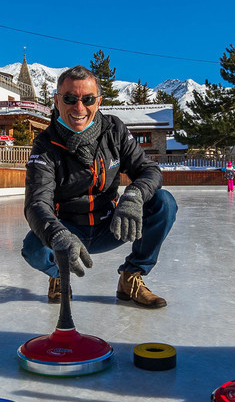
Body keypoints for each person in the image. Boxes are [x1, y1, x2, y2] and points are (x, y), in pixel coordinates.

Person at [22, 66, 177, 308]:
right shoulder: (45, 145)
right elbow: (36, 202)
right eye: (70, 99)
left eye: (88, 99)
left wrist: (134, 196)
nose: (79, 108)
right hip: (69, 231)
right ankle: (58, 275)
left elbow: (149, 170)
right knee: (33, 247)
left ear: (99, 101)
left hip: (112, 225)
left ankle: (131, 276)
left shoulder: (114, 131)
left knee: (164, 202)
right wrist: (58, 234)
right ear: (57, 100)